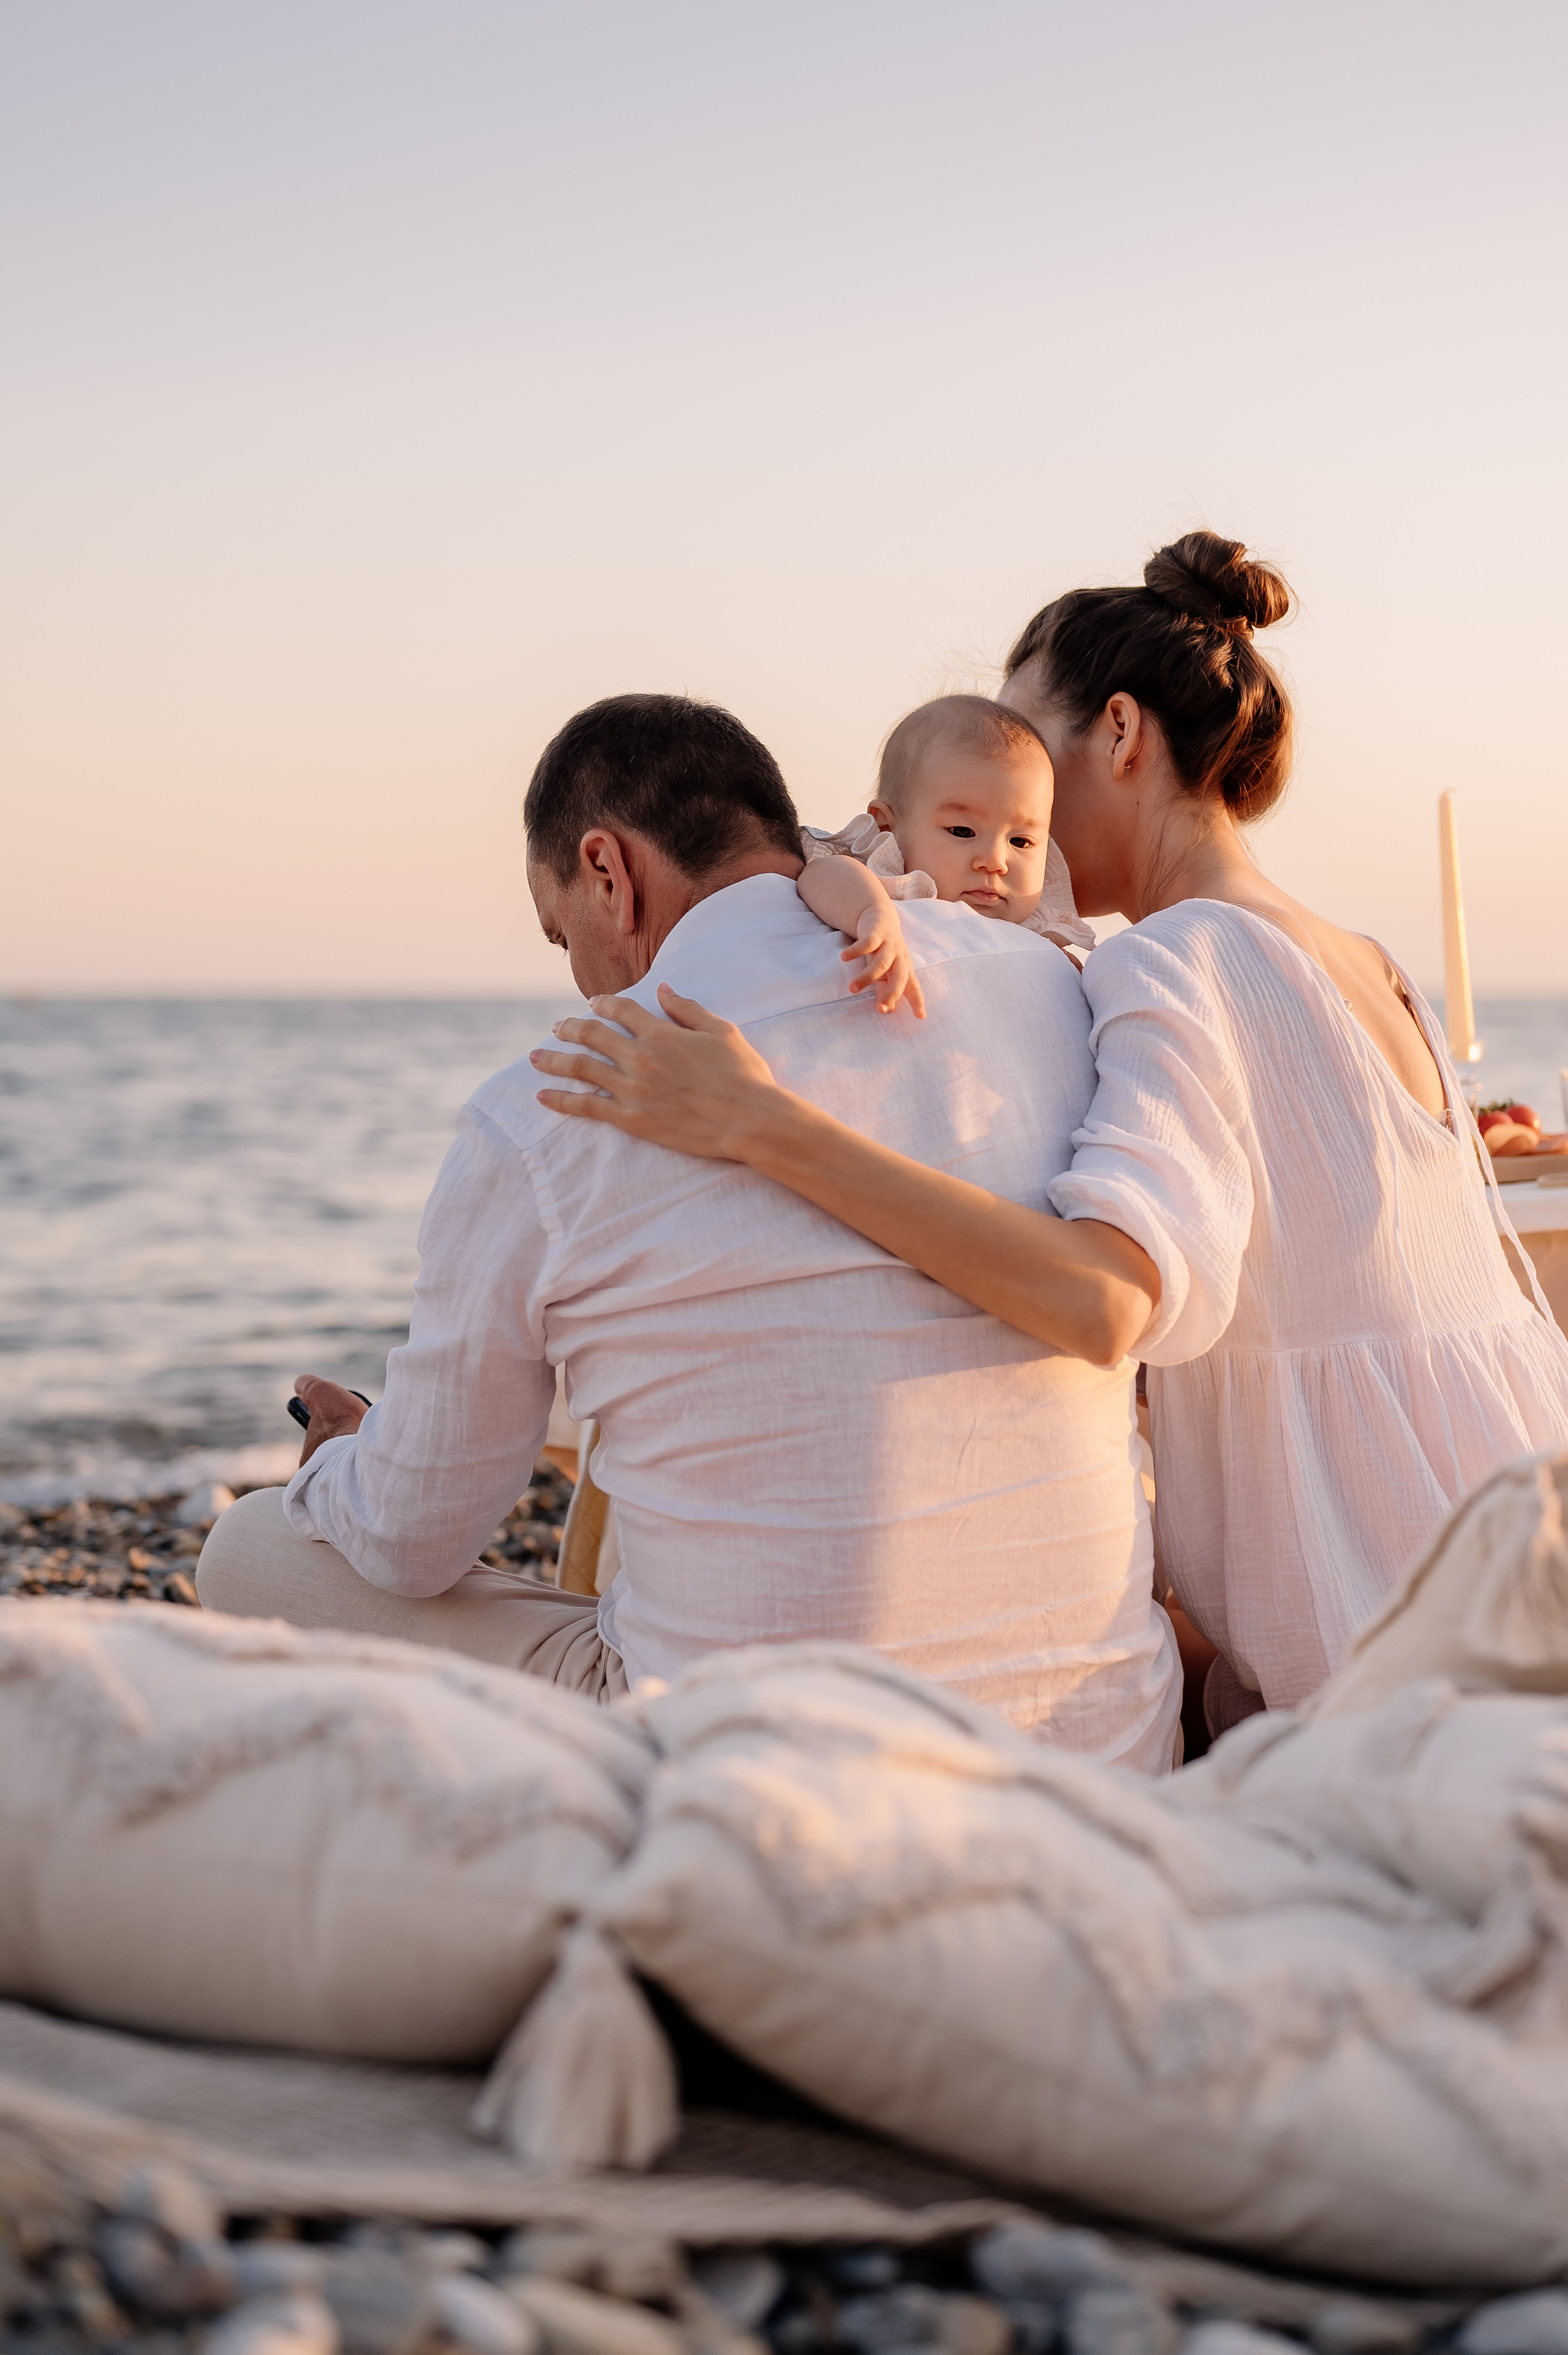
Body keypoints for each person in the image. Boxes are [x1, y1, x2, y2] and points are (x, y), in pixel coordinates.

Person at [529, 536, 1568, 1728]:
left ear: (1117, 733)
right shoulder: (1370, 962)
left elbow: (1103, 1299)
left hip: (1395, 1638)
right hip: (1507, 1557)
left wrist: (764, 1122)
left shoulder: (1176, 956)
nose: (1004, 789)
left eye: (1020, 738)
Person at [198, 692, 1180, 1769]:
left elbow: (411, 1537)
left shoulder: (549, 1103)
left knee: (251, 1549)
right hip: (1105, 1754)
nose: (574, 969)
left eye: (558, 924)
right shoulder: (1054, 980)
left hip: (753, 1777)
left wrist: (343, 1469)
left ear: (609, 874)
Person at [797, 694, 1094, 962]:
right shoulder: (886, 884)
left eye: (1020, 841)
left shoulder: (1040, 936)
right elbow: (820, 874)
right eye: (963, 832)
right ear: (887, 827)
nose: (994, 862)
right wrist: (869, 914)